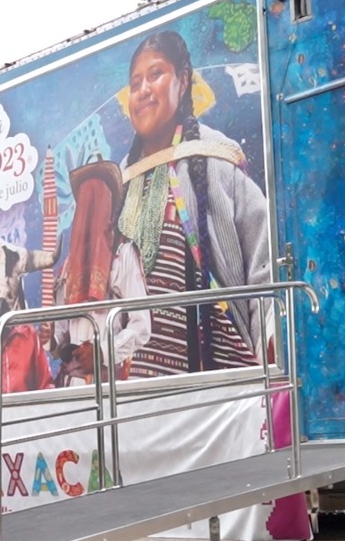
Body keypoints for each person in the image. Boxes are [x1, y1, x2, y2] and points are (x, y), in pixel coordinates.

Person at [115, 29, 271, 378]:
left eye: (155, 74)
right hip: (131, 390)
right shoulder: (120, 181)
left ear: (182, 80)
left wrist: (268, 366)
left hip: (213, 385)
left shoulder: (216, 157)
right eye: (135, 83)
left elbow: (263, 267)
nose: (143, 90)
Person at [48, 158, 152, 386]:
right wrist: (50, 339)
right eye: (87, 199)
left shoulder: (123, 254)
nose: (92, 207)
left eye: (98, 196)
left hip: (109, 385)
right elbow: (60, 335)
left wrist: (101, 352)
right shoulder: (68, 267)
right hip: (71, 385)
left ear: (110, 207)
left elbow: (142, 326)